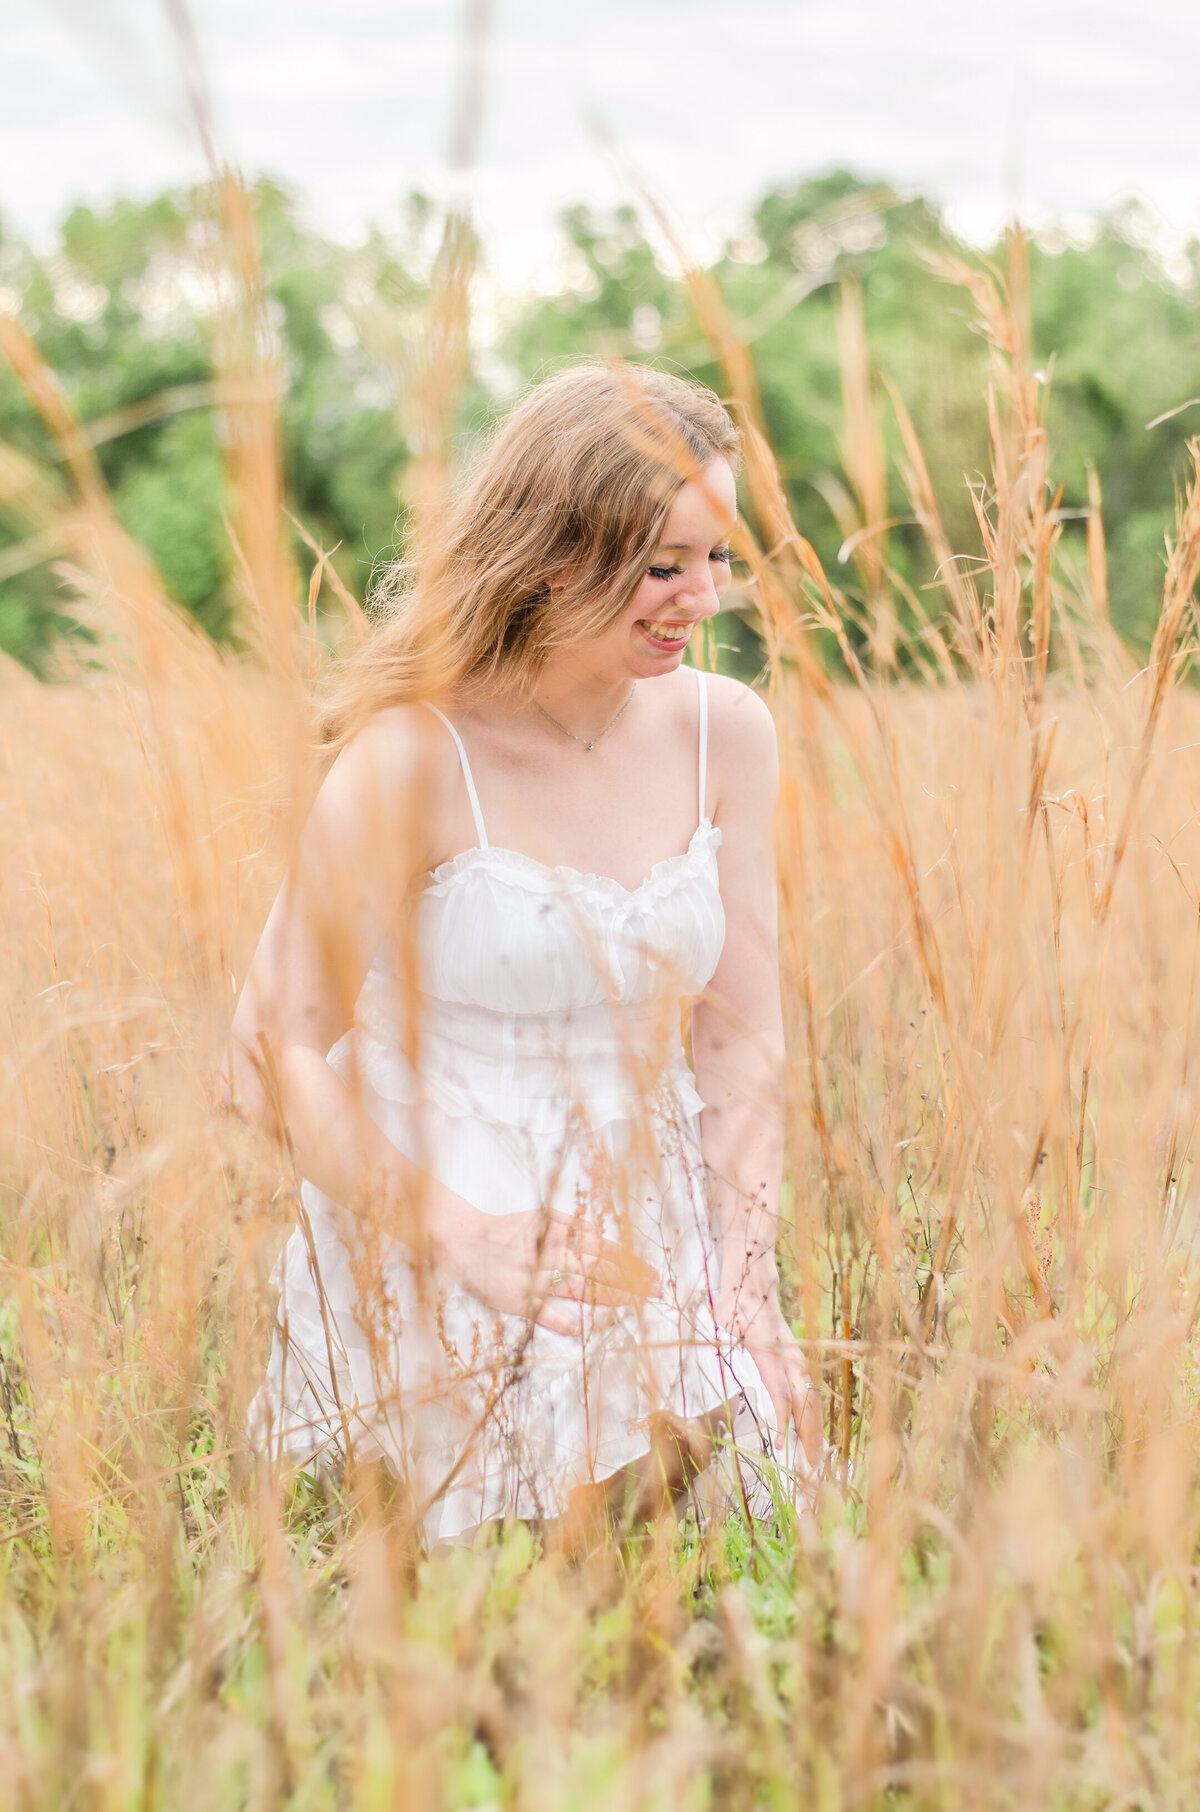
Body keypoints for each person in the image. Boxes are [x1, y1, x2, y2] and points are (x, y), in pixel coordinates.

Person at [228, 360, 823, 1549]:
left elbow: (741, 1039)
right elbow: (266, 1053)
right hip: (432, 1238)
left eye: (717, 558)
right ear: (554, 552)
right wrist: (463, 1233)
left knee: (686, 1607)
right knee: (473, 1617)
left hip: (650, 1243)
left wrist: (742, 1287)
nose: (702, 597)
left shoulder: (728, 734)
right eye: (663, 564)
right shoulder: (411, 757)